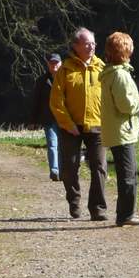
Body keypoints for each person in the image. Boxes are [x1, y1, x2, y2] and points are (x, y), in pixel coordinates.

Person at [49, 28, 108, 220]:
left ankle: (98, 208)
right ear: (76, 46)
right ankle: (74, 202)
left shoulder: (102, 67)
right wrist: (67, 123)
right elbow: (56, 102)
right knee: (70, 167)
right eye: (87, 43)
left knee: (99, 167)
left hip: (97, 125)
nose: (91, 47)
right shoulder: (65, 69)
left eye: (93, 43)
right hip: (71, 127)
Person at [101, 32, 139, 227]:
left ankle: (126, 213)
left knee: (126, 175)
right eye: (130, 47)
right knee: (128, 176)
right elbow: (125, 107)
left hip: (117, 130)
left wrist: (138, 100)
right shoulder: (119, 75)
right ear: (125, 51)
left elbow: (122, 101)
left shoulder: (111, 73)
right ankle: (125, 216)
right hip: (122, 132)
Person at [31, 53, 62, 181]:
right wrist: (32, 120)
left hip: (64, 118)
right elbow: (35, 101)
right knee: (52, 144)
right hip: (49, 118)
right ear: (48, 64)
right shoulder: (42, 81)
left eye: (56, 62)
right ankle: (55, 170)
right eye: (51, 63)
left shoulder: (67, 79)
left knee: (63, 146)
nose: (54, 65)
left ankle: (63, 169)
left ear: (61, 63)